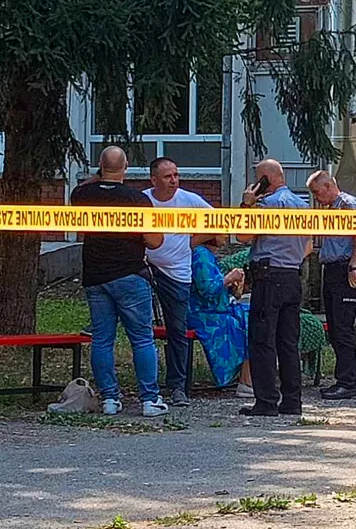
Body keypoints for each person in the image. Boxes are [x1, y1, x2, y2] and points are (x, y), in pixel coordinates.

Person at [70, 146, 169, 417]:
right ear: (126, 166)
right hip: (129, 276)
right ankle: (149, 400)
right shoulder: (136, 199)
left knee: (102, 340)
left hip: (95, 277)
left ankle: (110, 400)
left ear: (100, 167)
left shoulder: (81, 195)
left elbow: (86, 192)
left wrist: (99, 176)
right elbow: (154, 240)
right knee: (141, 339)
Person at [236, 159, 312, 416]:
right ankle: (292, 402)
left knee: (262, 340)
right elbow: (308, 246)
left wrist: (247, 203)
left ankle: (266, 401)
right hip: (292, 276)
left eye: (258, 179)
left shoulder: (266, 205)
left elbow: (242, 236)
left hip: (268, 278)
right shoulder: (302, 205)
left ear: (265, 179)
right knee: (288, 342)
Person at [143, 157, 213, 406]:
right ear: (154, 180)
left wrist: (191, 242)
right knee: (140, 330)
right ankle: (146, 387)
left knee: (177, 331)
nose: (173, 180)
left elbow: (218, 224)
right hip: (146, 269)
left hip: (178, 274)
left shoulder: (189, 200)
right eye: (167, 176)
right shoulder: (144, 201)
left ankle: (177, 387)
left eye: (175, 175)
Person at [306, 170, 356, 400]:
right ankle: (344, 378)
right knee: (335, 329)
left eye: (316, 192)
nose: (315, 197)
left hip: (346, 270)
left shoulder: (349, 205)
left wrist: (354, 265)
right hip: (332, 270)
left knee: (342, 328)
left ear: (328, 186)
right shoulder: (331, 210)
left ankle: (348, 383)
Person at [186, 235, 253, 396]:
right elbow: (207, 289)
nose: (226, 234)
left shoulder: (208, 255)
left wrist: (233, 286)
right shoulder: (200, 255)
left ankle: (247, 378)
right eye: (221, 231)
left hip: (214, 309)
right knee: (250, 319)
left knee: (254, 315)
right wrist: (229, 277)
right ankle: (246, 380)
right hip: (202, 314)